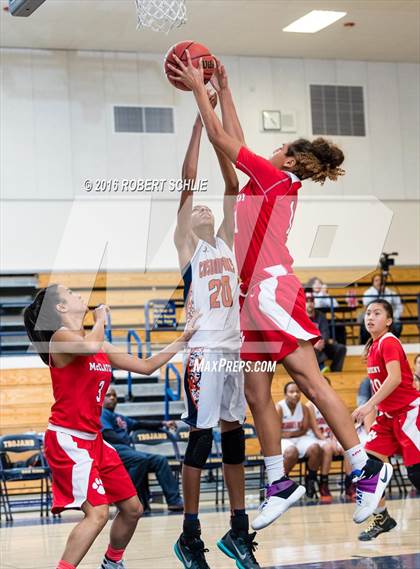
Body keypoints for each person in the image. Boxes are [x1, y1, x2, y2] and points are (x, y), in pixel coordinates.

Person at [168, 53, 393, 532]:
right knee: (256, 392)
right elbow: (235, 144)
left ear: (287, 156)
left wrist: (197, 91)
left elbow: (223, 140)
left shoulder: (276, 178)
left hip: (270, 290)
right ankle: (279, 483)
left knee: (311, 382)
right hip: (258, 298)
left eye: (273, 149)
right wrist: (224, 89)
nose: (262, 152)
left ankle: (365, 468)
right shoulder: (263, 184)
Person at [23, 285, 198, 569]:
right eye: (70, 293)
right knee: (98, 513)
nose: (79, 296)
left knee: (132, 509)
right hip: (68, 439)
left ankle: (111, 563)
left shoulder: (97, 343)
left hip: (94, 440)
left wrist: (183, 339)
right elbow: (90, 345)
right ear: (60, 308)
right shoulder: (59, 339)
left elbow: (146, 366)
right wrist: (101, 318)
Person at [173, 92, 259, 569]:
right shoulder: (190, 248)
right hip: (204, 351)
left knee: (233, 438)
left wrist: (218, 131)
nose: (203, 209)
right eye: (198, 210)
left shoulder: (226, 243)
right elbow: (188, 185)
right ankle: (190, 534)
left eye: (208, 209)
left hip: (234, 352)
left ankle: (238, 529)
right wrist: (196, 132)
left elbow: (232, 186)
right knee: (201, 439)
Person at [352, 299, 420, 541]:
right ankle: (383, 518)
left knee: (416, 474)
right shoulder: (373, 346)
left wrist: (368, 405)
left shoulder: (389, 341)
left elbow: (394, 379)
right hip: (388, 417)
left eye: (377, 313)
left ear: (389, 320)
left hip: (409, 414)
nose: (370, 317)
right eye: (368, 313)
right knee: (367, 468)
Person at [101, 386, 183, 512]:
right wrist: (126, 442)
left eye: (114, 395)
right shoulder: (101, 413)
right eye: (108, 395)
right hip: (113, 450)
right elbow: (107, 434)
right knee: (140, 459)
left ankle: (174, 501)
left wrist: (162, 423)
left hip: (127, 451)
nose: (112, 398)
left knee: (159, 460)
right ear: (101, 398)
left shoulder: (119, 417)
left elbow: (139, 424)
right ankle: (124, 498)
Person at [306, 376, 356, 503]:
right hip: (316, 438)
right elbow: (316, 429)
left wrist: (334, 439)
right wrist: (328, 441)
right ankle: (324, 484)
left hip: (331, 437)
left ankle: (349, 482)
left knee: (347, 447)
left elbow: (337, 425)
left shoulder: (334, 403)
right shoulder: (310, 405)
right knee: (327, 448)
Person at [277, 382, 322, 499]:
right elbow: (275, 431)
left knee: (316, 448)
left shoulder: (303, 408)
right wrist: (287, 434)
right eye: (291, 392)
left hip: (298, 437)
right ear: (285, 394)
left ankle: (311, 480)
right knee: (292, 452)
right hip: (282, 439)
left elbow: (304, 429)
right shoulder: (279, 408)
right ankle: (281, 481)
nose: (295, 394)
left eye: (297, 392)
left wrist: (291, 433)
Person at [306, 291, 347, 372]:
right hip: (307, 346)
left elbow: (326, 332)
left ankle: (335, 371)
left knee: (341, 348)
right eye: (307, 301)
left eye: (311, 301)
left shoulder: (321, 315)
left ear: (314, 303)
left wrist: (321, 341)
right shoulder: (300, 317)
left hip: (321, 344)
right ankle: (321, 368)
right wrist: (313, 342)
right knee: (312, 348)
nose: (309, 303)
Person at [360, 274, 403, 342]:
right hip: (373, 317)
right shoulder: (368, 293)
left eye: (380, 280)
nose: (379, 282)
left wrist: (393, 316)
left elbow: (399, 306)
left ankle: (393, 341)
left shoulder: (391, 292)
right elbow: (367, 306)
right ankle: (364, 343)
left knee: (397, 324)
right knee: (364, 325)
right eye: (376, 280)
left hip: (388, 317)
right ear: (373, 283)